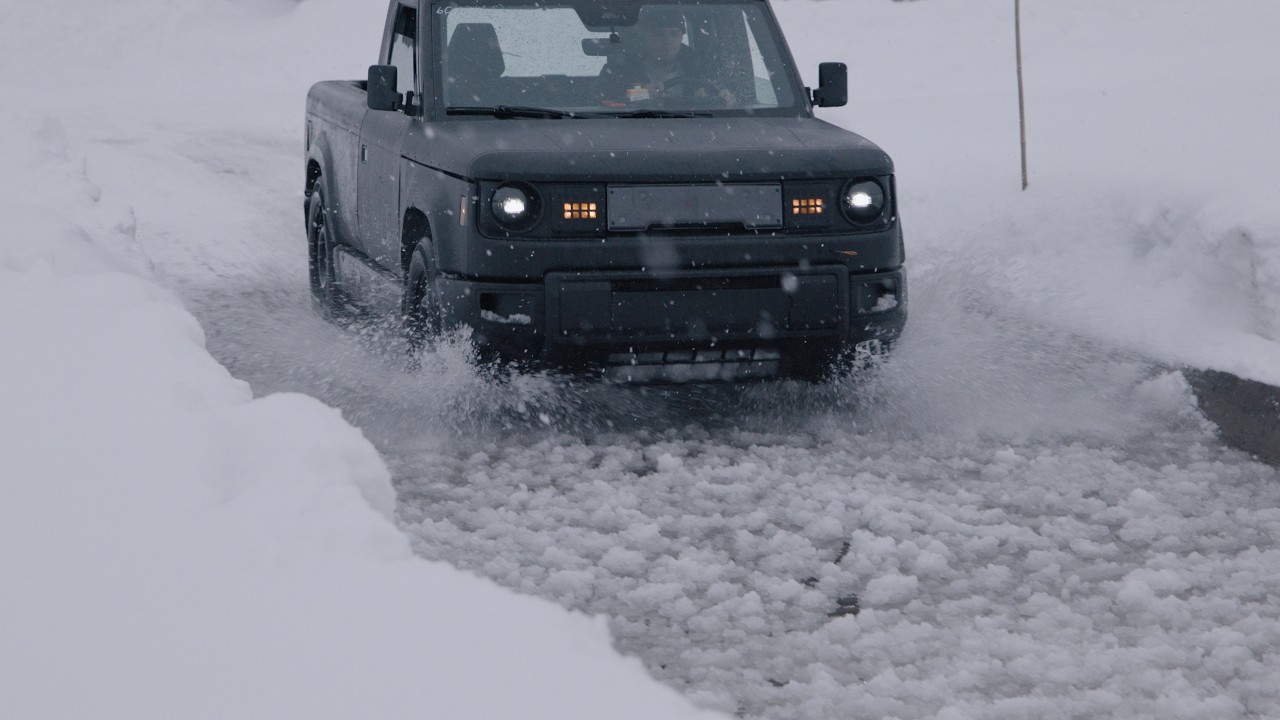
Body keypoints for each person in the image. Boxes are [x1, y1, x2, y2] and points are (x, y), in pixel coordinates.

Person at [599, 6, 735, 107]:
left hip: (697, 135)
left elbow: (734, 98)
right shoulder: (619, 72)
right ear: (645, 36)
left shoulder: (704, 69)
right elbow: (600, 103)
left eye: (674, 34)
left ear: (681, 36)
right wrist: (640, 95)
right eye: (659, 34)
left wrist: (728, 100)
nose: (667, 41)